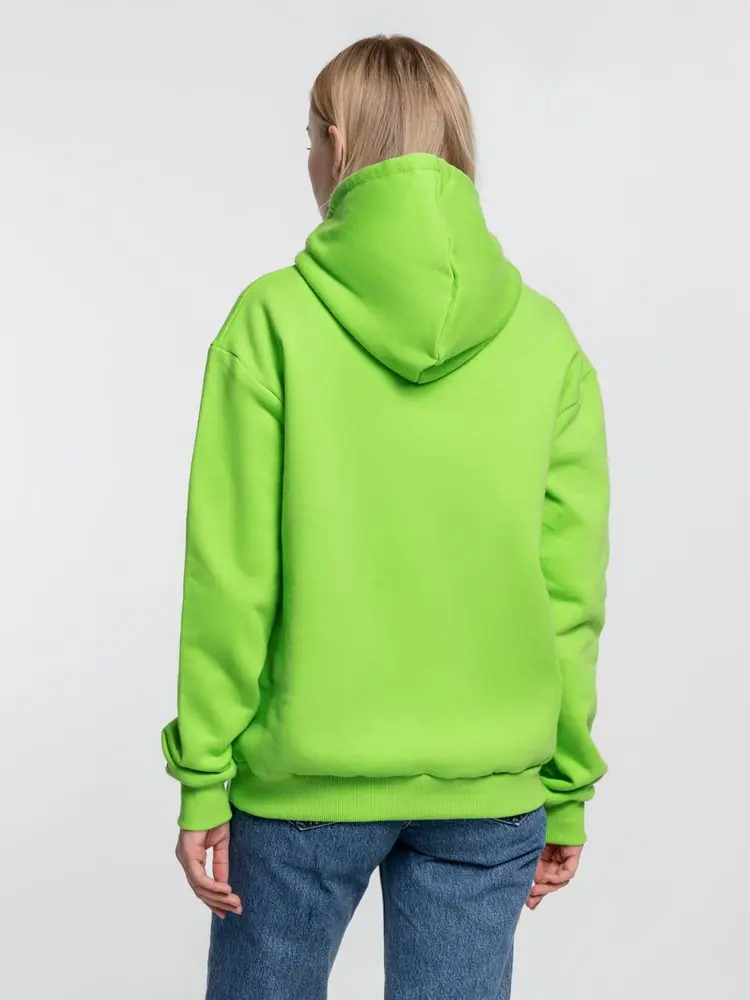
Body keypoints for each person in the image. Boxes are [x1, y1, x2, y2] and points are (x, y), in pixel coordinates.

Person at [161, 33, 609, 1000]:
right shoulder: (546, 342)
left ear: (335, 143)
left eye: (307, 142)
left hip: (302, 788)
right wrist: (566, 787)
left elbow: (232, 574)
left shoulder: (272, 323)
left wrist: (202, 777)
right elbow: (569, 594)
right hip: (491, 793)